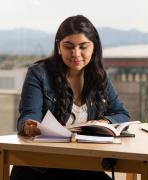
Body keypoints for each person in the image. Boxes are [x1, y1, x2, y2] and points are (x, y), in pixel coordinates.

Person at [10, 14, 131, 180]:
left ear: (93, 47)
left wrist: (105, 122)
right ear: (59, 46)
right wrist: (30, 126)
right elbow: (29, 115)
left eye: (83, 47)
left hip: (83, 165)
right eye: (68, 47)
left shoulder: (99, 77)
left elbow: (122, 114)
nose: (76, 53)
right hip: (41, 167)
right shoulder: (39, 73)